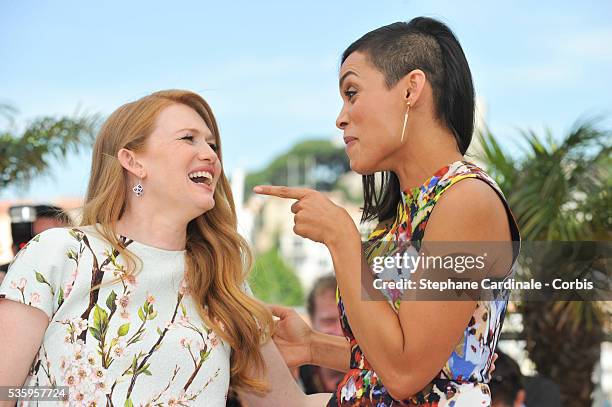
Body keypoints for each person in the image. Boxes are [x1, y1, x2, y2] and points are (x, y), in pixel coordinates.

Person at [0, 90, 330, 407]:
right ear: (132, 161)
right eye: (189, 138)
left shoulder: (224, 284)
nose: (211, 154)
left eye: (212, 144)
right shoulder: (62, 253)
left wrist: (378, 385)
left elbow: (292, 404)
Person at [256, 16, 520, 406]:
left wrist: (341, 238)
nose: (341, 117)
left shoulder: (467, 200)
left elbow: (405, 374)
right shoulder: (410, 210)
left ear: (412, 89)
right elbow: (419, 358)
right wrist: (313, 345)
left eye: (352, 92)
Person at [0, 205, 71, 284]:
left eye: (51, 237)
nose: (40, 244)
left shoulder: (81, 272)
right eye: (35, 238)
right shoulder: (9, 273)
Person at [299, 274, 345, 394]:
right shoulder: (294, 376)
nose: (340, 331)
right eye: (328, 321)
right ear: (312, 321)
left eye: (347, 322)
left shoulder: (376, 380)